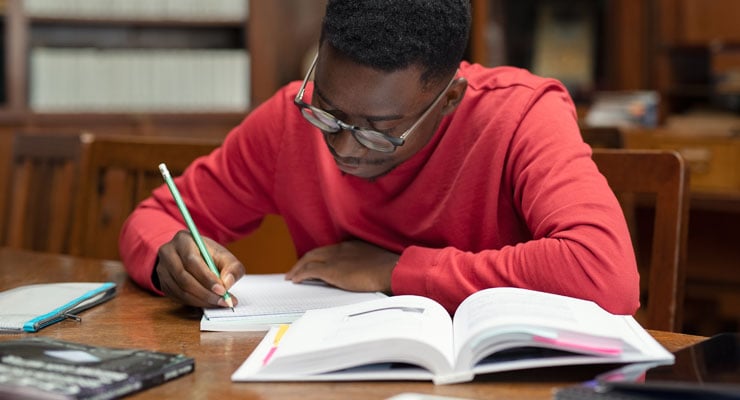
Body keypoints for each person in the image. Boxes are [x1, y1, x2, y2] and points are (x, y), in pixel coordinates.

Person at [119, 0, 639, 315]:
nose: (343, 147)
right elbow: (154, 218)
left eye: (379, 132)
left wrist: (398, 273)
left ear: (449, 99)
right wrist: (170, 259)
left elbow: (602, 272)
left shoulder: (520, 115)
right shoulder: (287, 122)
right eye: (327, 109)